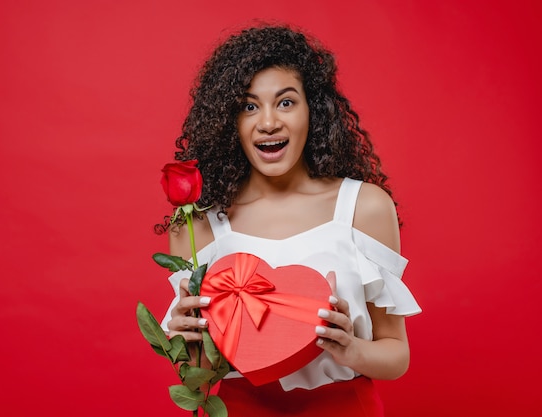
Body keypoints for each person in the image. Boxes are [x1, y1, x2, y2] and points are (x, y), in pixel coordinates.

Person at [159, 24, 421, 416]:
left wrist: (351, 349)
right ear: (229, 121)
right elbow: (197, 373)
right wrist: (184, 343)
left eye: (285, 102)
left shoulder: (363, 208)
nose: (268, 123)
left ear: (312, 110)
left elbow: (396, 355)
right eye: (249, 106)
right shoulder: (198, 226)